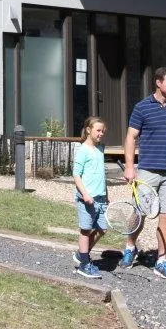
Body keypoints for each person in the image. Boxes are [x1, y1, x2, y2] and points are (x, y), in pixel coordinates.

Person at [120, 66, 166, 281]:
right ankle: (130, 247)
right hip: (147, 170)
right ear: (158, 83)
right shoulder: (142, 107)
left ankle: (161, 260)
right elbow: (131, 137)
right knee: (139, 213)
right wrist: (129, 166)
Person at [70, 116, 109, 279]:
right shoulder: (82, 150)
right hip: (86, 198)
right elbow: (76, 175)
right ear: (88, 130)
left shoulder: (100, 149)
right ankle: (84, 265)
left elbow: (101, 174)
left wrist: (107, 194)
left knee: (103, 228)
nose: (101, 134)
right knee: (85, 230)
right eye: (98, 130)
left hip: (100, 198)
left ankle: (81, 254)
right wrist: (85, 194)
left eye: (103, 131)